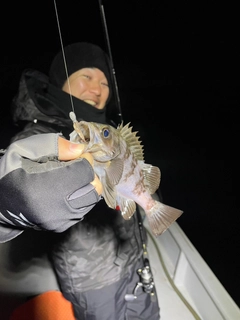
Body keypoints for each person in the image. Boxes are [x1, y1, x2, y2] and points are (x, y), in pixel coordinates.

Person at [1, 42, 160, 319]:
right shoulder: (40, 135)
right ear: (61, 82)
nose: (97, 90)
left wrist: (143, 197)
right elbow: (18, 172)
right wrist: (10, 203)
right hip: (93, 282)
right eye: (86, 76)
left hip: (135, 261)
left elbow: (131, 180)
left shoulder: (111, 132)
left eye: (104, 82)